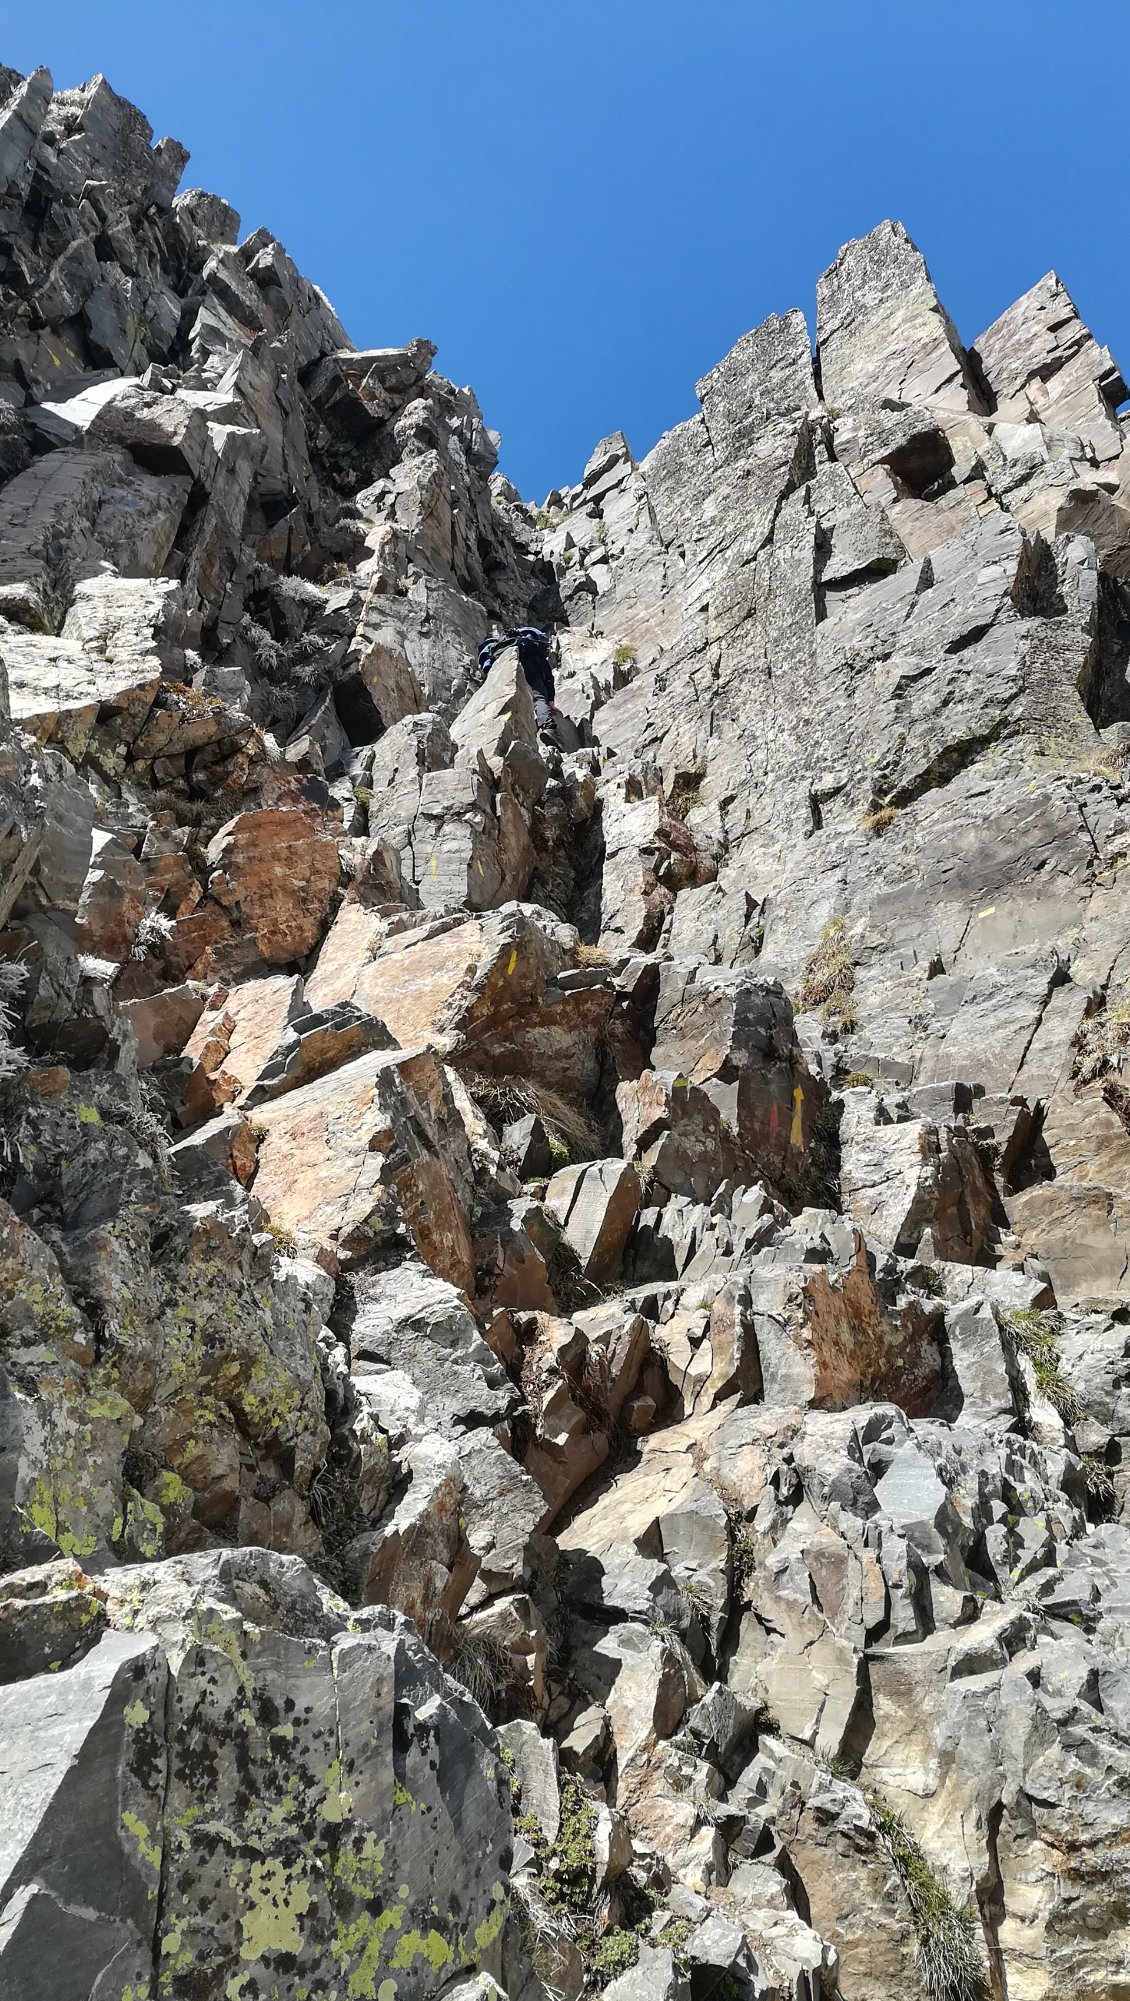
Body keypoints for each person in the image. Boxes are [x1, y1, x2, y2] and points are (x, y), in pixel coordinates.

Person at [476, 625, 560, 744]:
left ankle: (508, 740)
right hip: (531, 668)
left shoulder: (501, 647)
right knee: (539, 697)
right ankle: (549, 728)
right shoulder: (533, 649)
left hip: (504, 668)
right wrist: (550, 699)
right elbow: (548, 675)